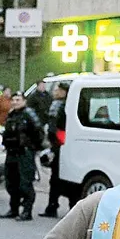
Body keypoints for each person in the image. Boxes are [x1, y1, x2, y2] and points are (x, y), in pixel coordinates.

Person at [0, 92, 45, 221]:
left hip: (24, 153)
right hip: (11, 153)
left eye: (18, 100)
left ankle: (27, 211)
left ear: (24, 101)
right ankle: (13, 209)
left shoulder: (29, 114)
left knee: (25, 183)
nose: (15, 102)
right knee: (10, 182)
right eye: (13, 100)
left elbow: (39, 132)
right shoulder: (11, 115)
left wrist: (32, 148)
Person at [41, 82, 70, 218]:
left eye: (58, 90)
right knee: (57, 178)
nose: (55, 92)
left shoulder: (60, 105)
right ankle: (53, 205)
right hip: (60, 144)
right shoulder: (64, 104)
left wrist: (55, 144)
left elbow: (55, 128)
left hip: (59, 145)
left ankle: (53, 206)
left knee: (58, 178)